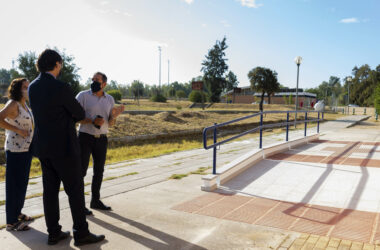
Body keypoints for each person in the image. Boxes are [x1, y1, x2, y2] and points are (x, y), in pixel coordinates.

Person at [28, 49, 105, 246]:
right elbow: (79, 113)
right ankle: (81, 232)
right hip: (64, 148)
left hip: (44, 147)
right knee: (75, 190)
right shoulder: (60, 87)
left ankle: (53, 232)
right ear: (57, 64)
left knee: (50, 191)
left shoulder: (32, 87)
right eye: (60, 64)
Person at [76, 72, 124, 215]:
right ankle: (79, 205)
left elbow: (111, 123)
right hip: (85, 137)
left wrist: (115, 116)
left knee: (99, 171)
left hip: (102, 138)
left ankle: (95, 201)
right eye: (92, 79)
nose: (93, 82)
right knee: (81, 171)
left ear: (104, 84)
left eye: (97, 80)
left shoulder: (109, 99)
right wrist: (91, 121)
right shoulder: (82, 96)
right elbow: (74, 117)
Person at [0, 78, 34, 231]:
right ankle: (11, 222)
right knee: (13, 186)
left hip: (26, 150)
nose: (27, 89)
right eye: (25, 87)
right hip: (15, 150)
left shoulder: (24, 105)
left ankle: (17, 213)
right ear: (17, 89)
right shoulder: (13, 103)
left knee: (22, 184)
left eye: (28, 87)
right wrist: (18, 130)